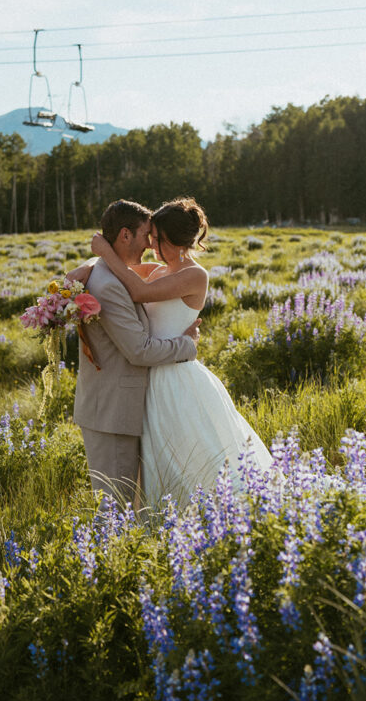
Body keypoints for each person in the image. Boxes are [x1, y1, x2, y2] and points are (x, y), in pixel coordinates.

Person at [89, 196, 273, 507]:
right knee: (161, 456)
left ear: (176, 240)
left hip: (178, 376)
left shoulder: (194, 274)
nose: (151, 245)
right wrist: (84, 270)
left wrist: (104, 249)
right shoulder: (159, 269)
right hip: (153, 373)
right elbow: (115, 269)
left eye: (158, 239)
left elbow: (138, 290)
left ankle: (214, 512)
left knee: (193, 451)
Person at [68, 199, 200, 508]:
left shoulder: (116, 273)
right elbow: (138, 350)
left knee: (131, 502)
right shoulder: (110, 283)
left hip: (140, 401)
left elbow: (129, 281)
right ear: (125, 235)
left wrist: (99, 255)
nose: (149, 244)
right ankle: (107, 557)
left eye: (156, 237)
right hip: (114, 409)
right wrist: (188, 345)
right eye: (146, 235)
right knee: (116, 507)